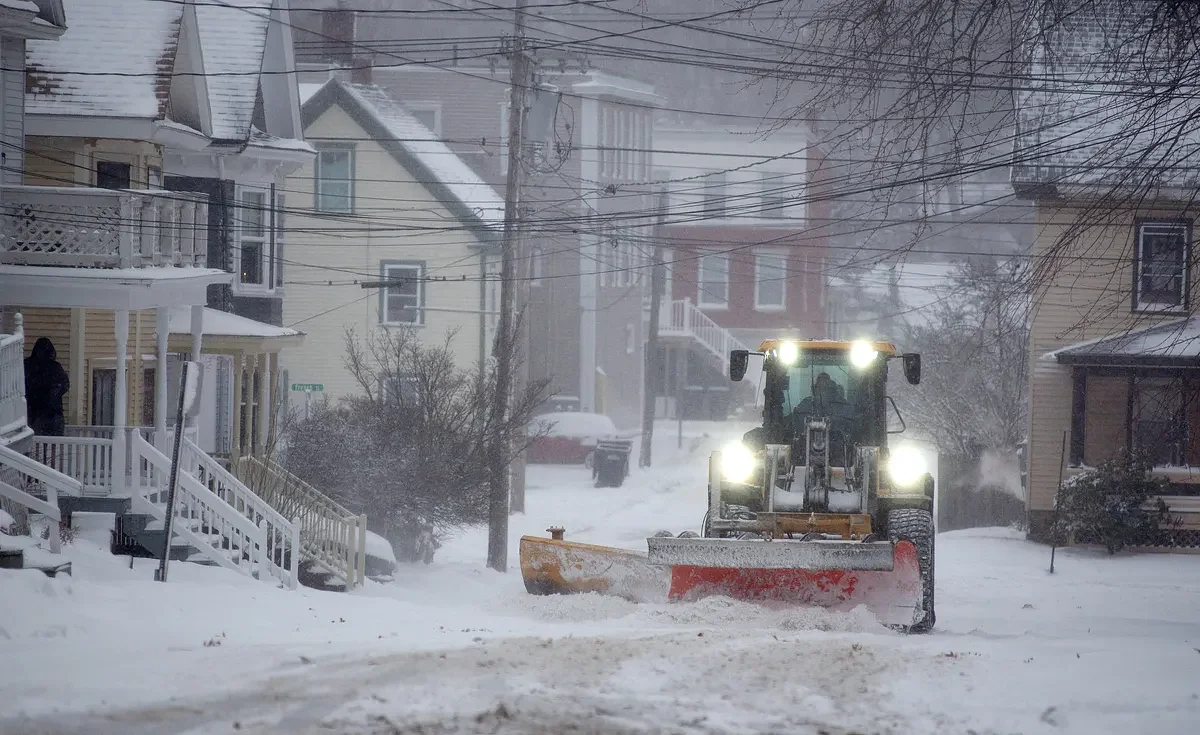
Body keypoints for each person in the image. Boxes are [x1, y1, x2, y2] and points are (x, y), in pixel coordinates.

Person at [24, 337, 69, 436]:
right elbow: (65, 385)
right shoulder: (55, 367)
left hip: (33, 413)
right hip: (51, 414)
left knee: (34, 440)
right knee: (52, 442)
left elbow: (64, 385)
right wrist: (52, 396)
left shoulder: (27, 366)